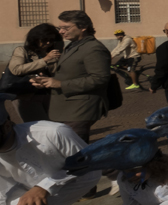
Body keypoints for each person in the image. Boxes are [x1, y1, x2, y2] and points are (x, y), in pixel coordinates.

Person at [30, 11, 110, 143]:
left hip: (80, 109)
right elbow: (71, 72)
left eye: (66, 28)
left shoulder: (93, 48)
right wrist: (47, 81)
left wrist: (59, 84)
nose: (61, 32)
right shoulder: (73, 45)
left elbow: (99, 78)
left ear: (83, 27)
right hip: (67, 108)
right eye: (60, 28)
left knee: (74, 152)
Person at [6, 24, 63, 122]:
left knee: (55, 125)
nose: (48, 42)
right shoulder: (22, 51)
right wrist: (45, 60)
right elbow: (16, 69)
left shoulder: (54, 52)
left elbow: (57, 73)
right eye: (45, 40)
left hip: (49, 94)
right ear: (36, 38)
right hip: (27, 95)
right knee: (40, 125)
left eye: (51, 40)